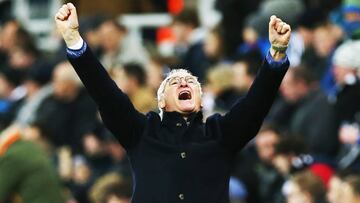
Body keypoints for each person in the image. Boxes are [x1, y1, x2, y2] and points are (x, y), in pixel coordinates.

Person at [55, 3, 290, 202]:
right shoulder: (142, 132)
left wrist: (277, 53)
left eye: (191, 81)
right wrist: (74, 41)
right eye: (175, 82)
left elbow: (255, 105)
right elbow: (106, 94)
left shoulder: (220, 134)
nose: (185, 83)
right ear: (162, 102)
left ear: (200, 100)